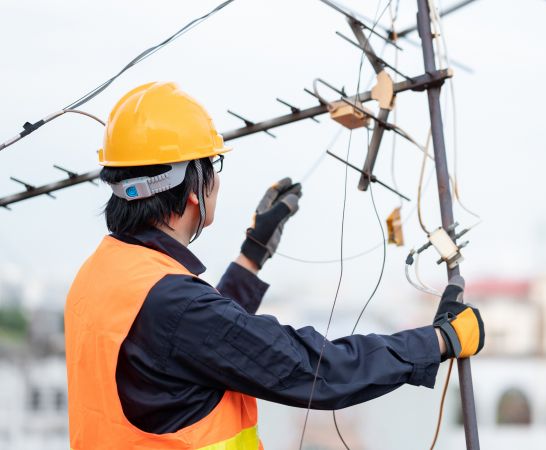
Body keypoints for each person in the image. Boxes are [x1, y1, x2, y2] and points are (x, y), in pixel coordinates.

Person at [64, 81, 485, 449]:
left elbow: (186, 350)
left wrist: (252, 255)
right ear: (193, 187)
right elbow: (316, 371)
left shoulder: (100, 276)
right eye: (212, 165)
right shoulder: (173, 304)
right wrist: (440, 341)